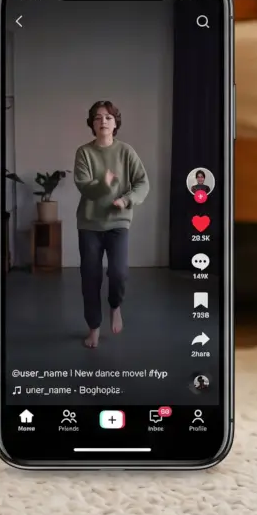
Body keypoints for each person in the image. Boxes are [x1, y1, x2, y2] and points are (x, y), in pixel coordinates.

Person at [71, 100, 150, 349]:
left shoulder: (126, 152)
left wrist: (127, 199)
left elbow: (142, 183)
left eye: (108, 117)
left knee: (118, 273)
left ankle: (115, 306)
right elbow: (85, 187)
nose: (103, 121)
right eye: (97, 117)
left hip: (118, 223)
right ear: (92, 125)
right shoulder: (84, 152)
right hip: (90, 225)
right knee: (90, 277)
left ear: (115, 123)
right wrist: (105, 184)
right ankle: (94, 328)